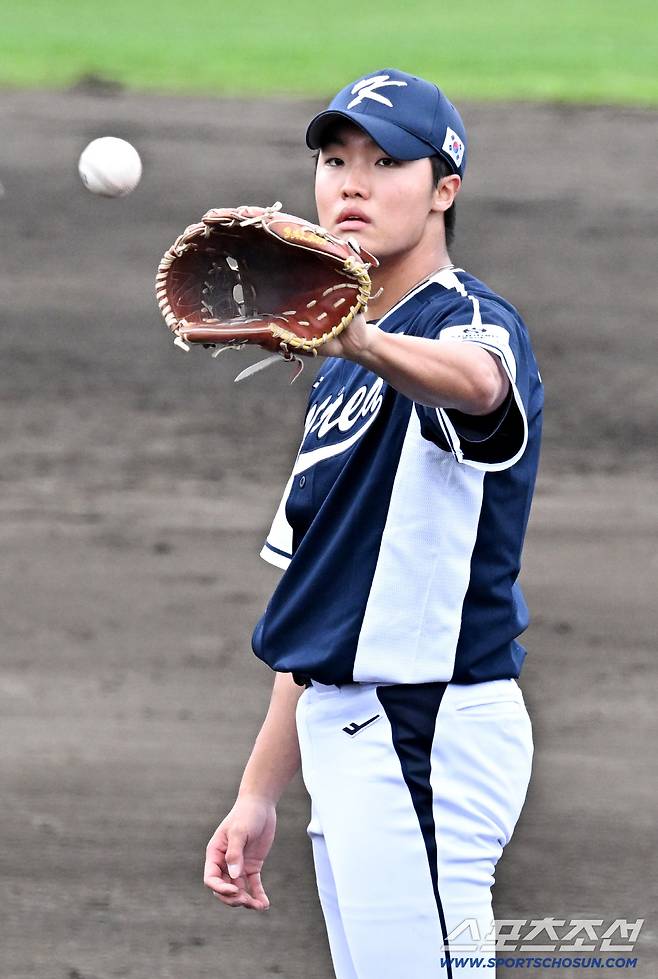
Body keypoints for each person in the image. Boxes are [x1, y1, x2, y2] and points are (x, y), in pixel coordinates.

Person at [203, 68, 543, 978]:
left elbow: (483, 387)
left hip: (429, 724)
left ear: (444, 190)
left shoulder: (466, 320)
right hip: (349, 734)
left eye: (387, 160)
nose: (352, 181)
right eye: (335, 158)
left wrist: (365, 340)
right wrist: (258, 792)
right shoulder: (339, 370)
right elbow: (316, 591)